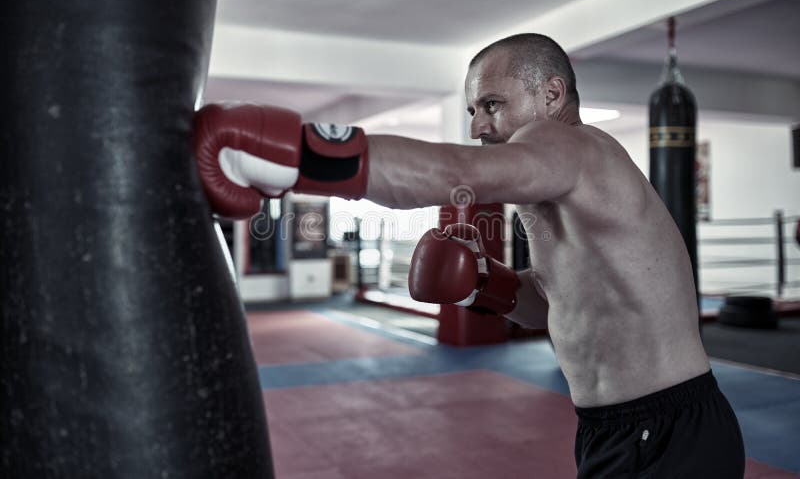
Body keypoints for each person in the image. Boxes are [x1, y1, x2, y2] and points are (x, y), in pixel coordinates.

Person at [193, 33, 745, 478]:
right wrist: (486, 285)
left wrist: (300, 154)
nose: (479, 125)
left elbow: (456, 174)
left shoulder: (575, 147)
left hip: (667, 428)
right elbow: (554, 306)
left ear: (551, 96)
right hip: (615, 427)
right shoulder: (555, 191)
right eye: (472, 110)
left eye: (492, 105)